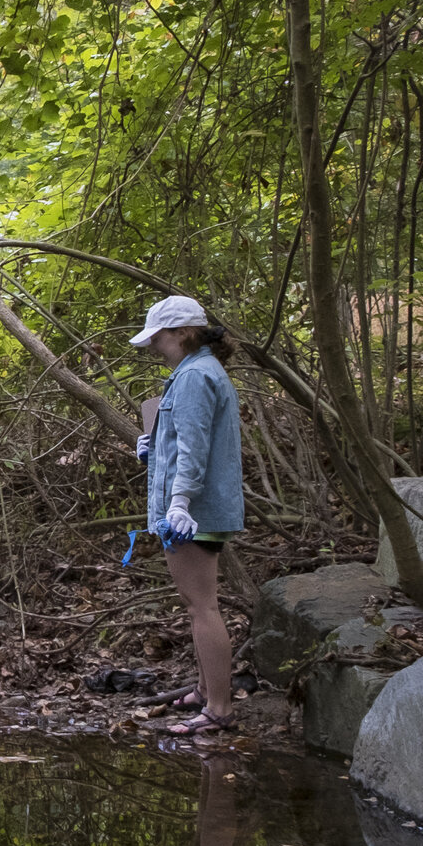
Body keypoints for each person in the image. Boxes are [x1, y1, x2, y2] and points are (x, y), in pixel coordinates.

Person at [130, 295, 245, 736]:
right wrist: (153, 447)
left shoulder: (196, 376)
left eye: (158, 336)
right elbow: (184, 441)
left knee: (202, 607)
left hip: (194, 513)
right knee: (199, 604)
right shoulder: (196, 372)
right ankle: (204, 689)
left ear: (181, 333)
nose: (154, 345)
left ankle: (218, 707)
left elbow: (195, 451)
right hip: (198, 507)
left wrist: (179, 503)